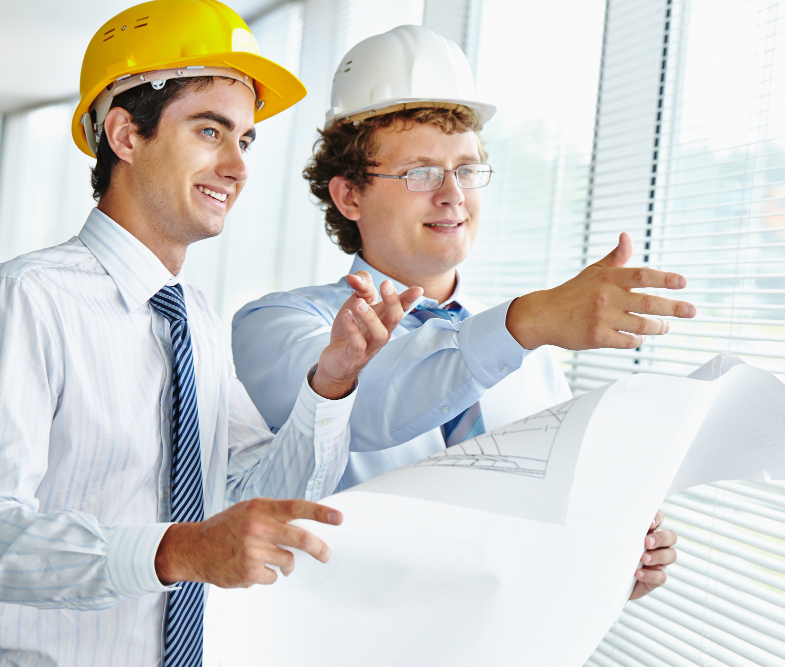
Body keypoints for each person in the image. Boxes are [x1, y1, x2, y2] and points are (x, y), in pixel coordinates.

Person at [0, 2, 421, 664]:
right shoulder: (29, 297)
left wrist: (333, 380)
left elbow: (267, 496)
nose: (238, 166)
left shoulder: (192, 314)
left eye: (245, 140)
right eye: (209, 131)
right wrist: (180, 549)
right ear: (125, 135)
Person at [234, 25, 690, 601]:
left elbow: (540, 530)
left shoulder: (532, 357)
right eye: (420, 172)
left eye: (467, 169)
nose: (453, 194)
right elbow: (372, 405)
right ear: (349, 195)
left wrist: (612, 561)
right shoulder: (277, 325)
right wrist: (529, 321)